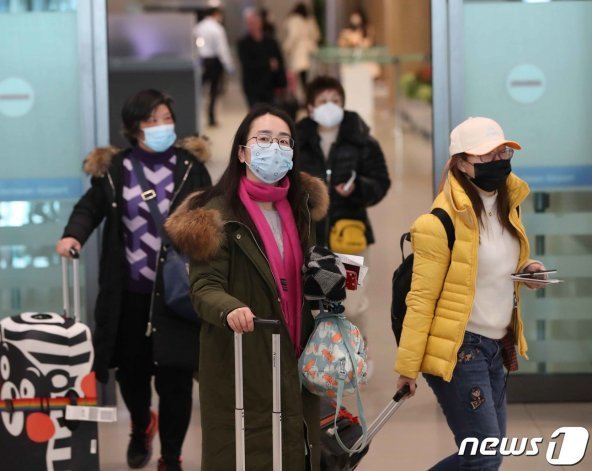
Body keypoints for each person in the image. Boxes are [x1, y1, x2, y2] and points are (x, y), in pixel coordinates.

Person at [164, 104, 329, 470]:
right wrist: (230, 308)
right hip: (242, 356)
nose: (275, 147)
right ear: (242, 151)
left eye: (283, 141)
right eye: (264, 139)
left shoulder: (300, 206)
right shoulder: (215, 213)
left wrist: (330, 281)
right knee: (246, 453)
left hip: (295, 352)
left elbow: (302, 273)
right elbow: (204, 286)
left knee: (295, 451)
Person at [56, 89, 211, 471]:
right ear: (133, 128)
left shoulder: (190, 167)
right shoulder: (116, 169)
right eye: (152, 120)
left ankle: (171, 456)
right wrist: (73, 234)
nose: (162, 126)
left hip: (175, 296)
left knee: (175, 378)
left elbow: (212, 215)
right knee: (131, 375)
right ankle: (142, 425)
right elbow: (89, 207)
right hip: (128, 296)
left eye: (166, 117)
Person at [394, 117, 547, 470]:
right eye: (486, 155)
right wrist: (407, 368)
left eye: (503, 151)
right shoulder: (438, 223)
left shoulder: (510, 205)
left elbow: (495, 267)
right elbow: (420, 298)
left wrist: (527, 272)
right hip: (459, 349)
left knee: (483, 455)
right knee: (485, 456)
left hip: (496, 347)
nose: (499, 160)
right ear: (461, 163)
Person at [295, 75, 390, 336]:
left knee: (352, 304)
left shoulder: (362, 140)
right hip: (309, 239)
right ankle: (318, 363)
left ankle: (357, 357)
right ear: (310, 107)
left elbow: (381, 182)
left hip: (351, 238)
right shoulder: (296, 142)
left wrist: (357, 188)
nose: (329, 106)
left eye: (335, 100)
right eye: (323, 100)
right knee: (313, 303)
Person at [193, 7, 235, 127]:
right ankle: (211, 118)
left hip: (202, 61)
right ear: (216, 14)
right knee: (213, 91)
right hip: (214, 62)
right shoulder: (217, 28)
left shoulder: (198, 27)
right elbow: (222, 49)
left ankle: (195, 116)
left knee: (198, 90)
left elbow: (195, 45)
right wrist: (228, 65)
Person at [237, 7, 287, 107]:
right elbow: (247, 64)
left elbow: (279, 61)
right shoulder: (243, 43)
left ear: (260, 23)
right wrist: (268, 64)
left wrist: (282, 82)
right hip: (252, 86)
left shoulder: (271, 42)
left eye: (254, 23)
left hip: (270, 85)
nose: (252, 26)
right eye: (250, 23)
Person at [281, 2, 321, 99]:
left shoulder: (293, 21)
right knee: (307, 79)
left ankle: (297, 99)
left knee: (295, 79)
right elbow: (317, 36)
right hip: (310, 51)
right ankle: (307, 98)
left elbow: (293, 36)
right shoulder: (310, 21)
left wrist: (286, 48)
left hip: (299, 53)